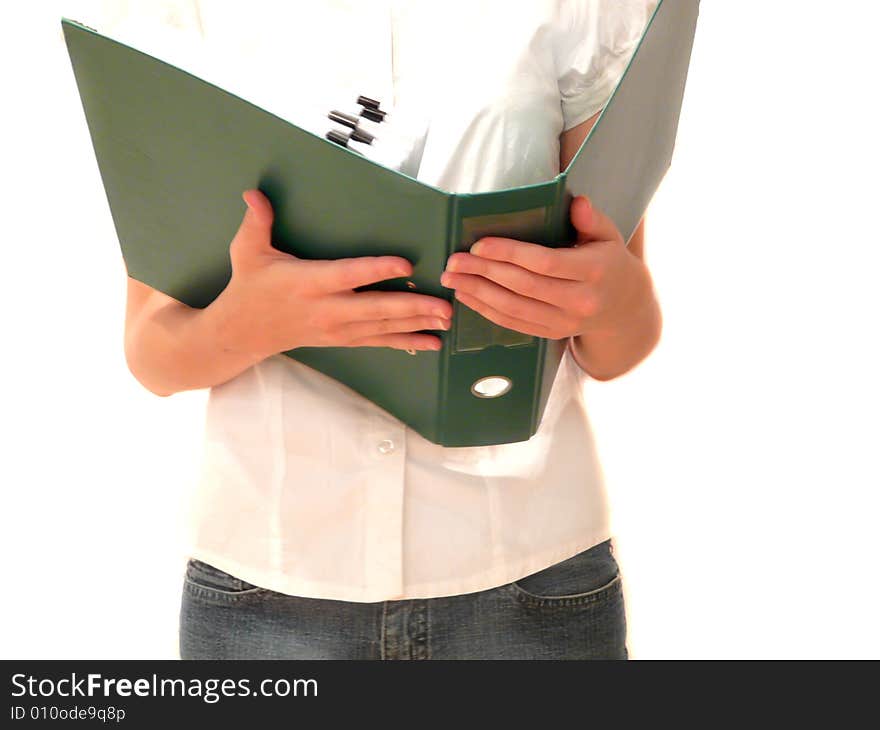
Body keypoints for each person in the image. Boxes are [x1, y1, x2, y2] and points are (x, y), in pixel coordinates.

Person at [110, 0, 661, 659]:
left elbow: (619, 340)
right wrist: (249, 324)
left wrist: (612, 298)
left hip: (533, 580)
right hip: (264, 592)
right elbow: (151, 348)